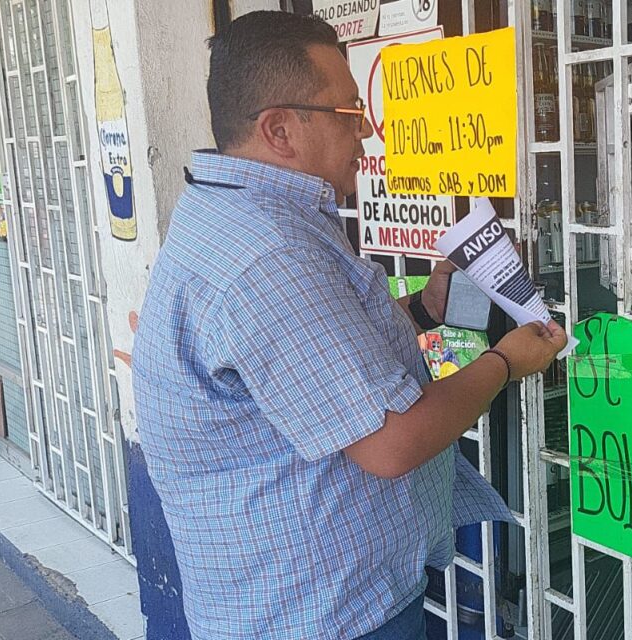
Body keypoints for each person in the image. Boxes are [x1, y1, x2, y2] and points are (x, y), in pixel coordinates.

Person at [131, 12, 567, 639]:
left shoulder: (240, 216)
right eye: (346, 115)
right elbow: (390, 444)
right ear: (279, 129)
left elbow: (309, 358)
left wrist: (423, 307)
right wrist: (505, 362)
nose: (365, 136)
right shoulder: (267, 254)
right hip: (320, 616)